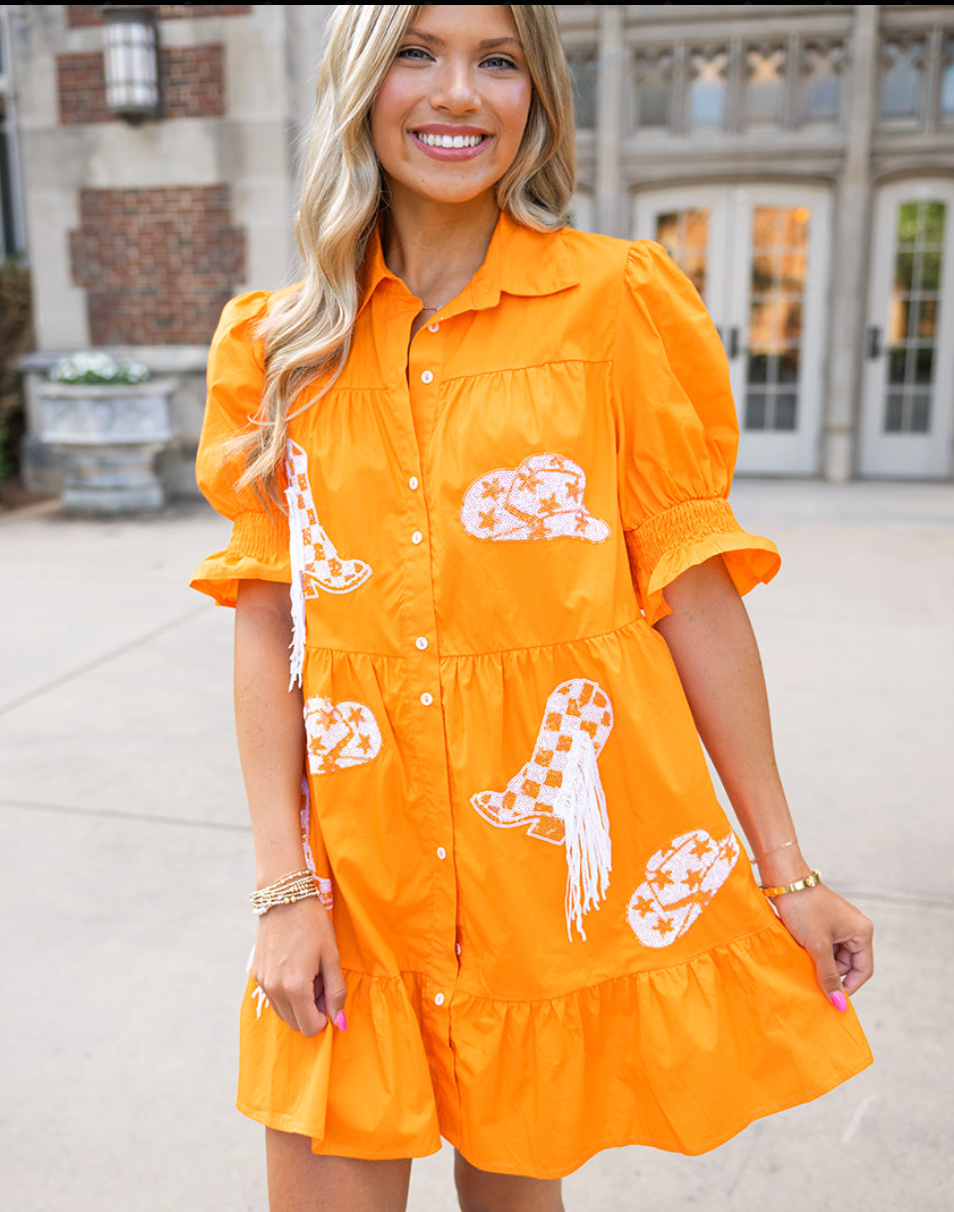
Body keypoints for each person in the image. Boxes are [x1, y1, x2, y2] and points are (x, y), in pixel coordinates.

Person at [190, 6, 874, 1210]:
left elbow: (696, 592)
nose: (459, 92)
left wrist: (787, 870)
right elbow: (268, 624)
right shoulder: (279, 344)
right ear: (358, 78)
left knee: (514, 1193)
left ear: (536, 96)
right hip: (360, 884)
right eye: (418, 51)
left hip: (540, 881)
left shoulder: (617, 303)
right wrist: (284, 888)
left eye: (497, 61)